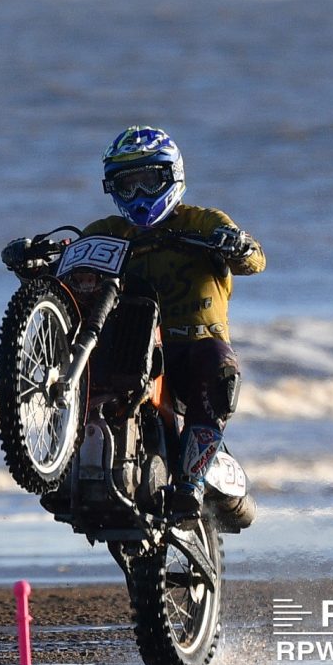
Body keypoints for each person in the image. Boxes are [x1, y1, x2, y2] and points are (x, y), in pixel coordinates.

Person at [83, 126, 264, 520]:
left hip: (194, 347)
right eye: (127, 186)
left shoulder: (202, 222)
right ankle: (75, 466)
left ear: (171, 177)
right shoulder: (108, 233)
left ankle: (191, 483)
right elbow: (72, 261)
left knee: (218, 368)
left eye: (148, 181)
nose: (139, 195)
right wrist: (37, 256)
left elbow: (253, 260)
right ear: (112, 189)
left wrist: (237, 243)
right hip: (129, 350)